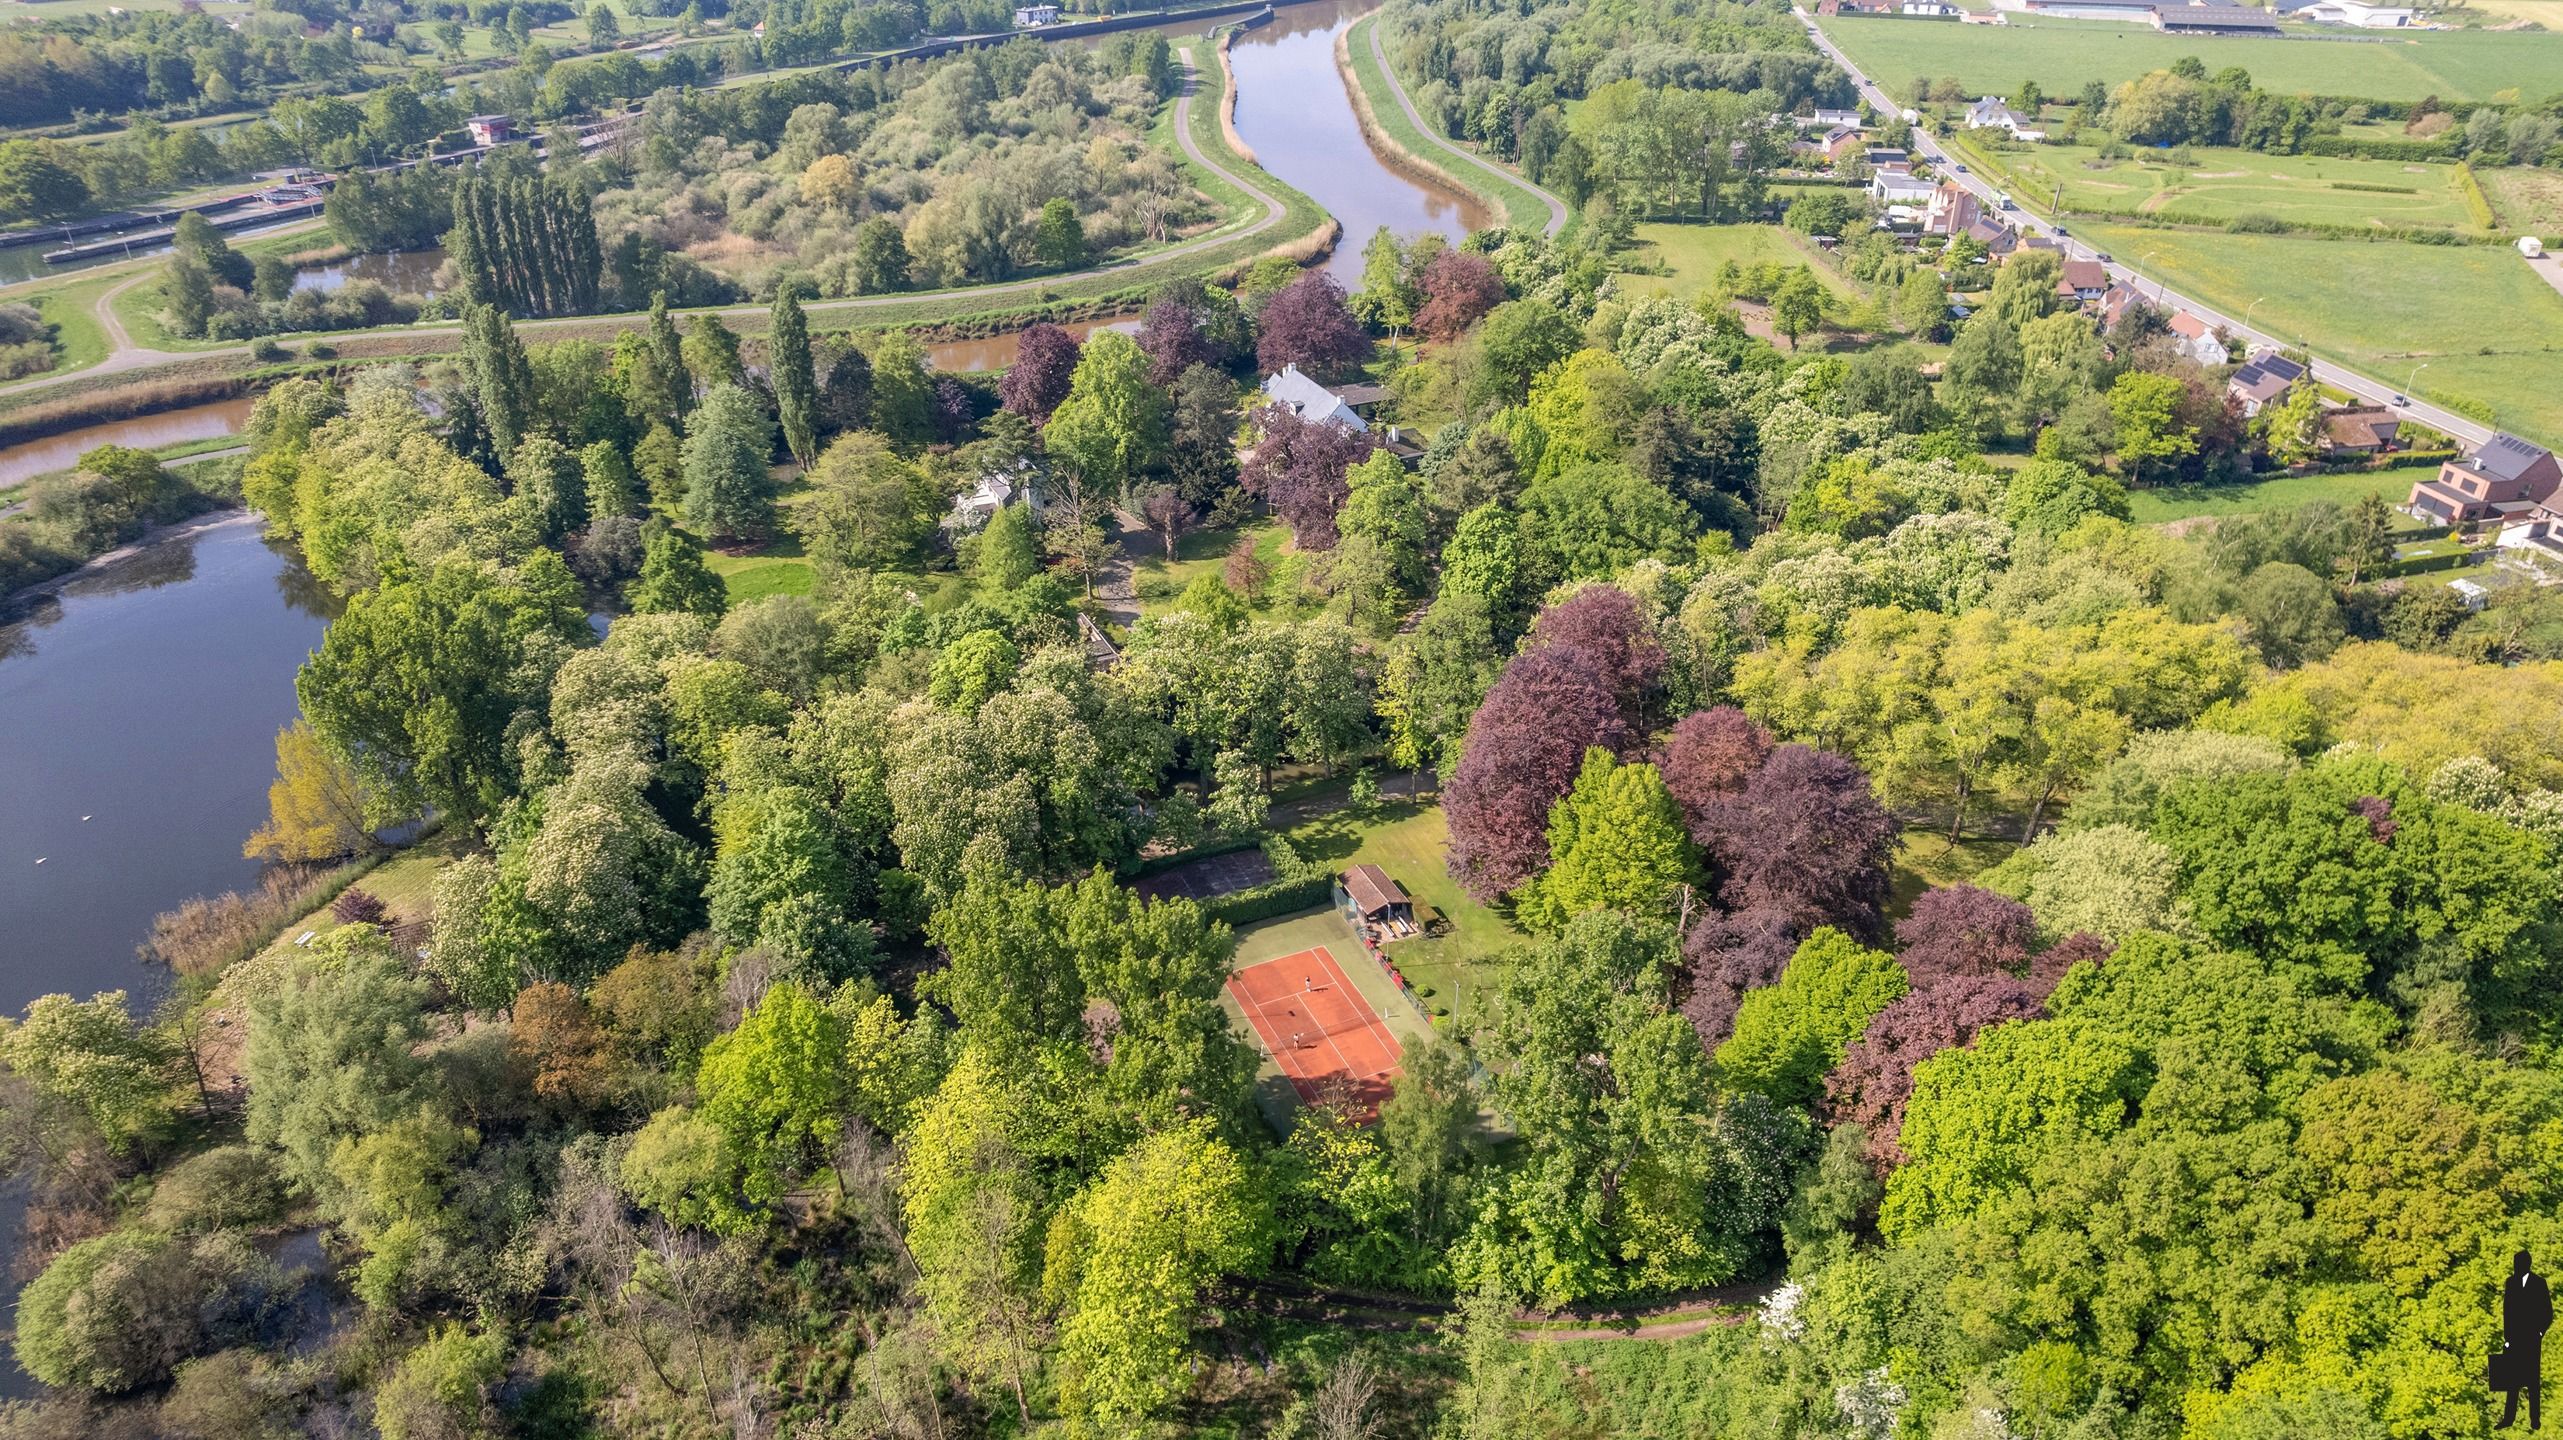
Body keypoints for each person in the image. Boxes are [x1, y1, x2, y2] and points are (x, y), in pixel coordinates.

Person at [2501, 1250, 2552, 1430]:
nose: (2516, 1267)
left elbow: (2548, 1312)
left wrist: (2539, 1332)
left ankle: (2534, 1419)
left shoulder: (2539, 1283)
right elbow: (2507, 1311)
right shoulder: (2511, 1282)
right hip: (2514, 1339)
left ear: (2527, 1264)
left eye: (2519, 1263)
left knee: (2532, 1381)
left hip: (2531, 1339)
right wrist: (2507, 1338)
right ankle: (2508, 1418)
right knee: (2512, 1380)